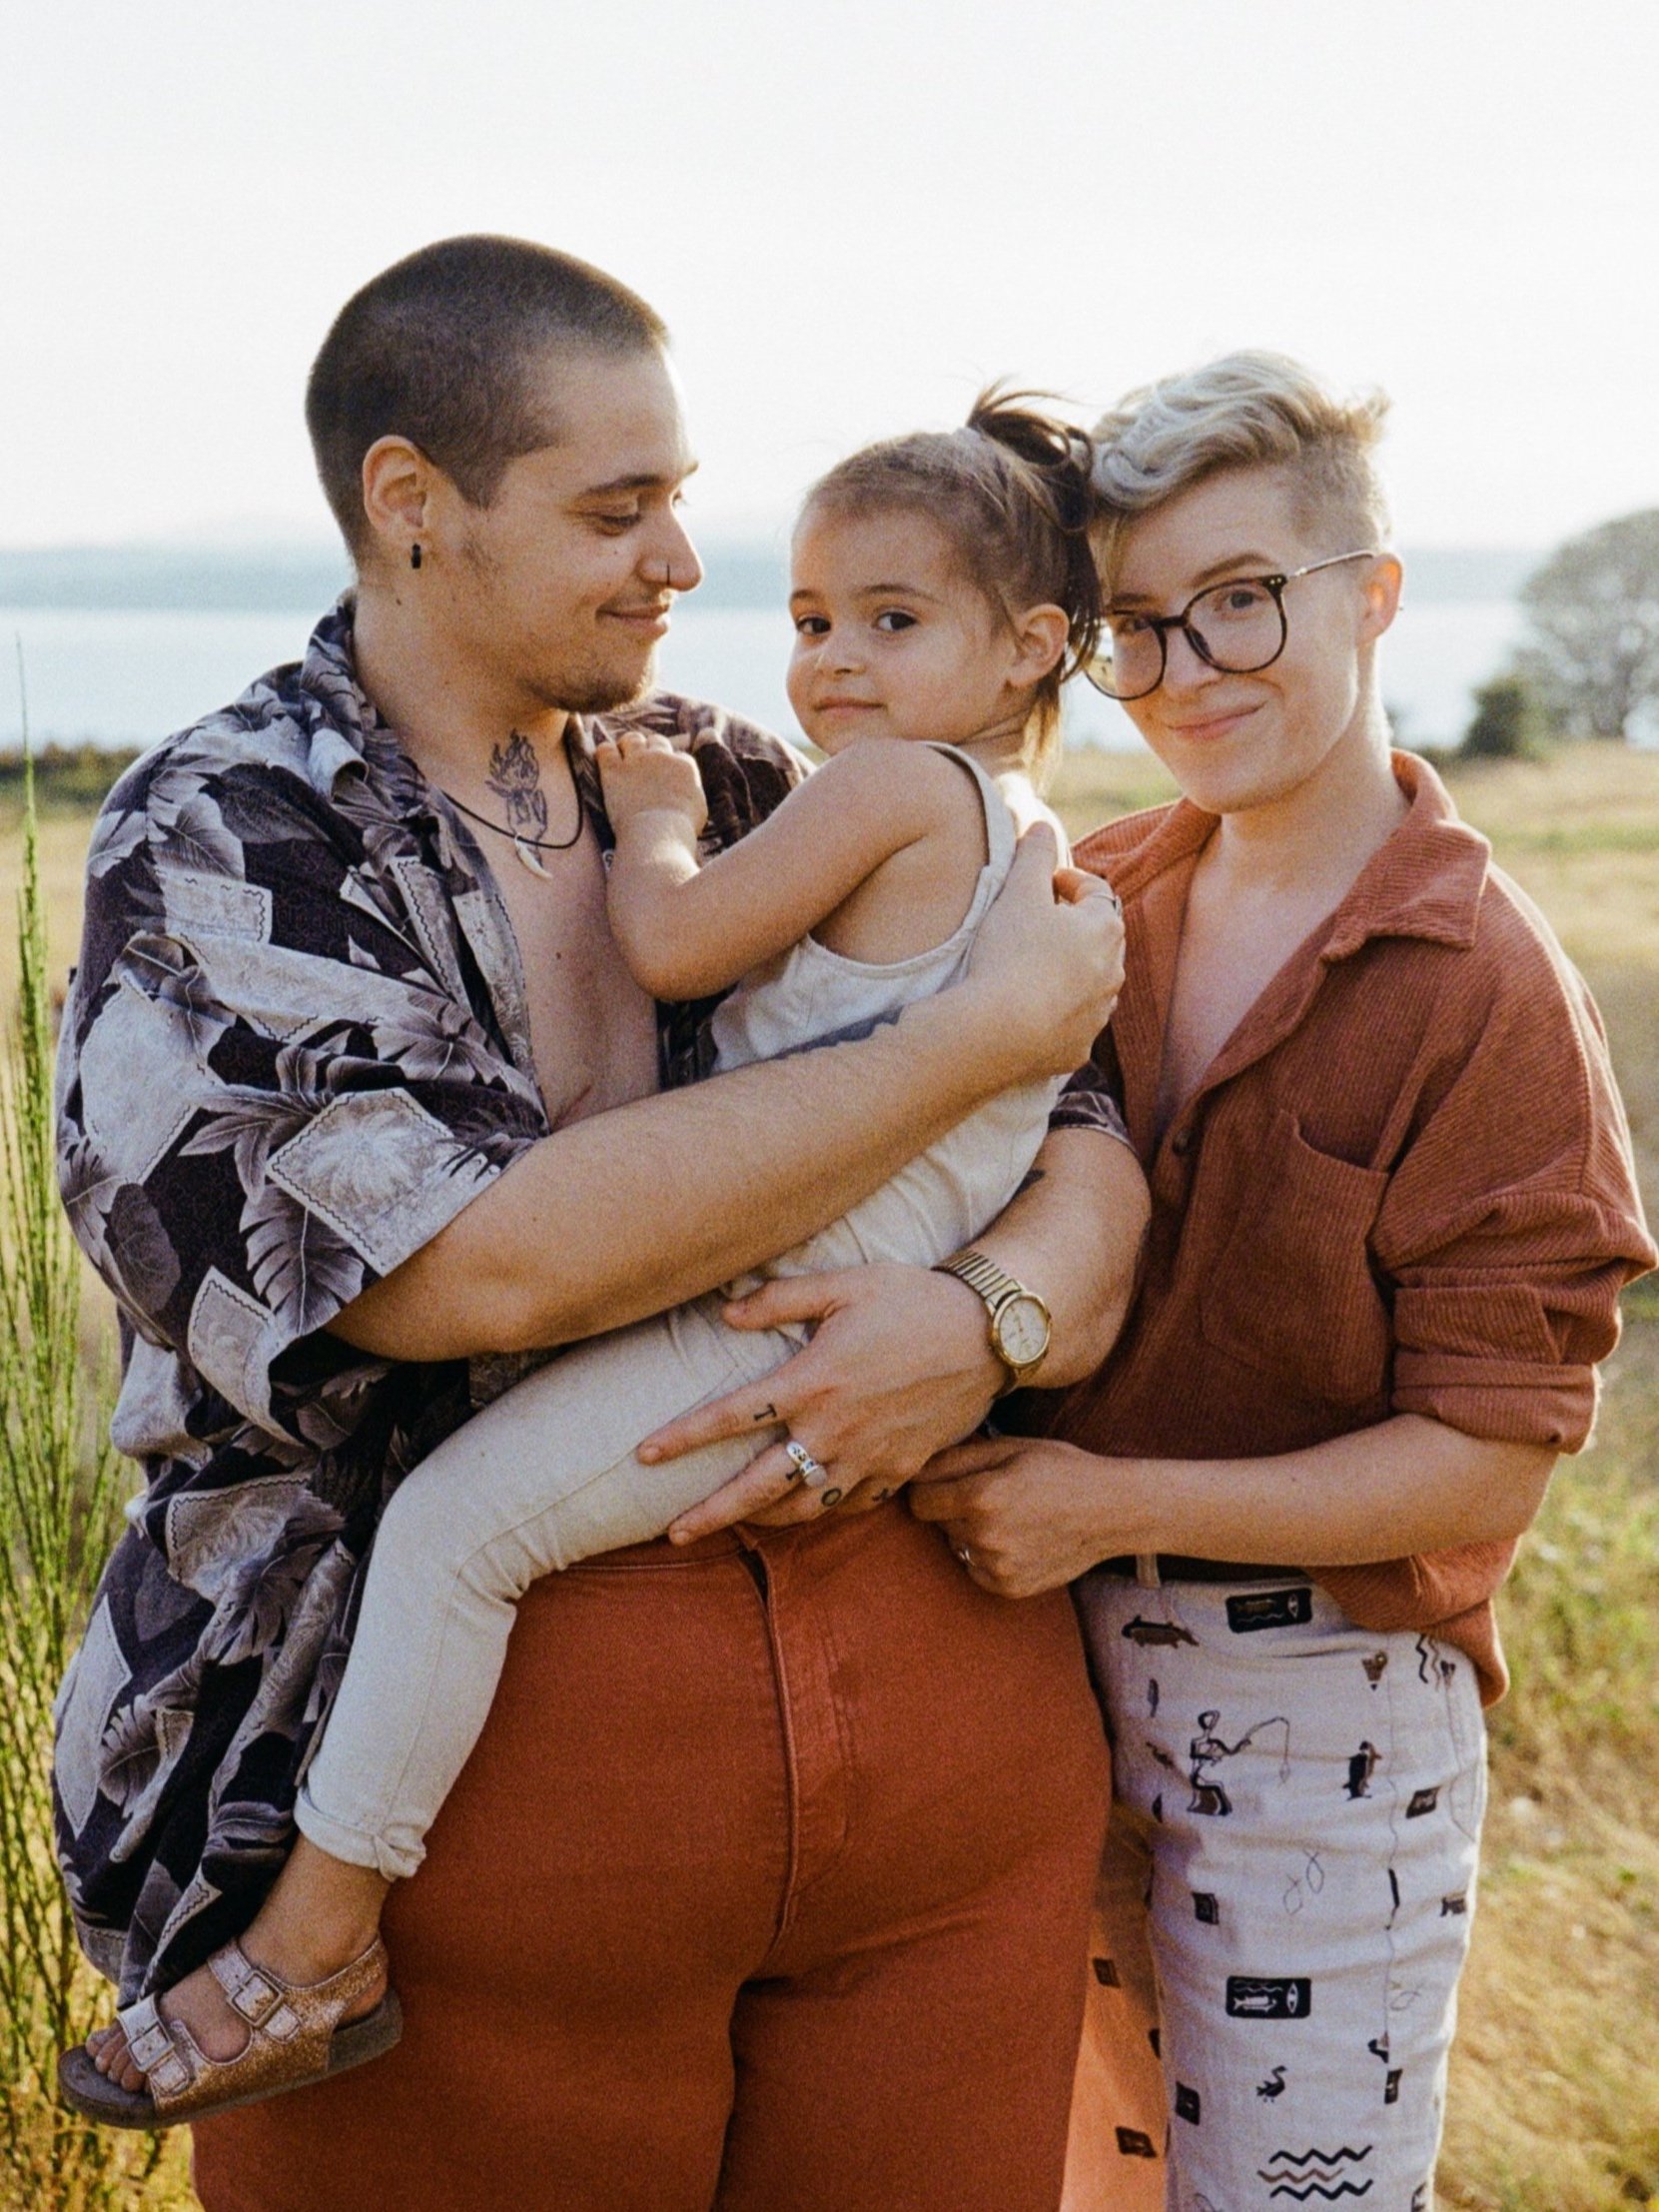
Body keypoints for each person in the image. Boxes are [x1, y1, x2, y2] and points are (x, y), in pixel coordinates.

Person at [51, 236, 1144, 2211]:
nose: (681, 566)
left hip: (928, 1785)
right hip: (456, 1832)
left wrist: (980, 1322)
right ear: (414, 509)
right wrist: (960, 1041)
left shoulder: (726, 779)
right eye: (615, 509)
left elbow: (1085, 1140)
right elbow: (478, 1270)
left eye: (682, 501)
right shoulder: (232, 832)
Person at [910, 352, 1656, 2212]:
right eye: (1138, 629)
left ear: (1372, 593)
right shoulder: (1087, 896)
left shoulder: (1479, 982)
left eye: (1241, 600)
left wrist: (1109, 1501)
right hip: (1031, 1696)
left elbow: (1485, 1459)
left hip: (1324, 1733)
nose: (1188, 673)